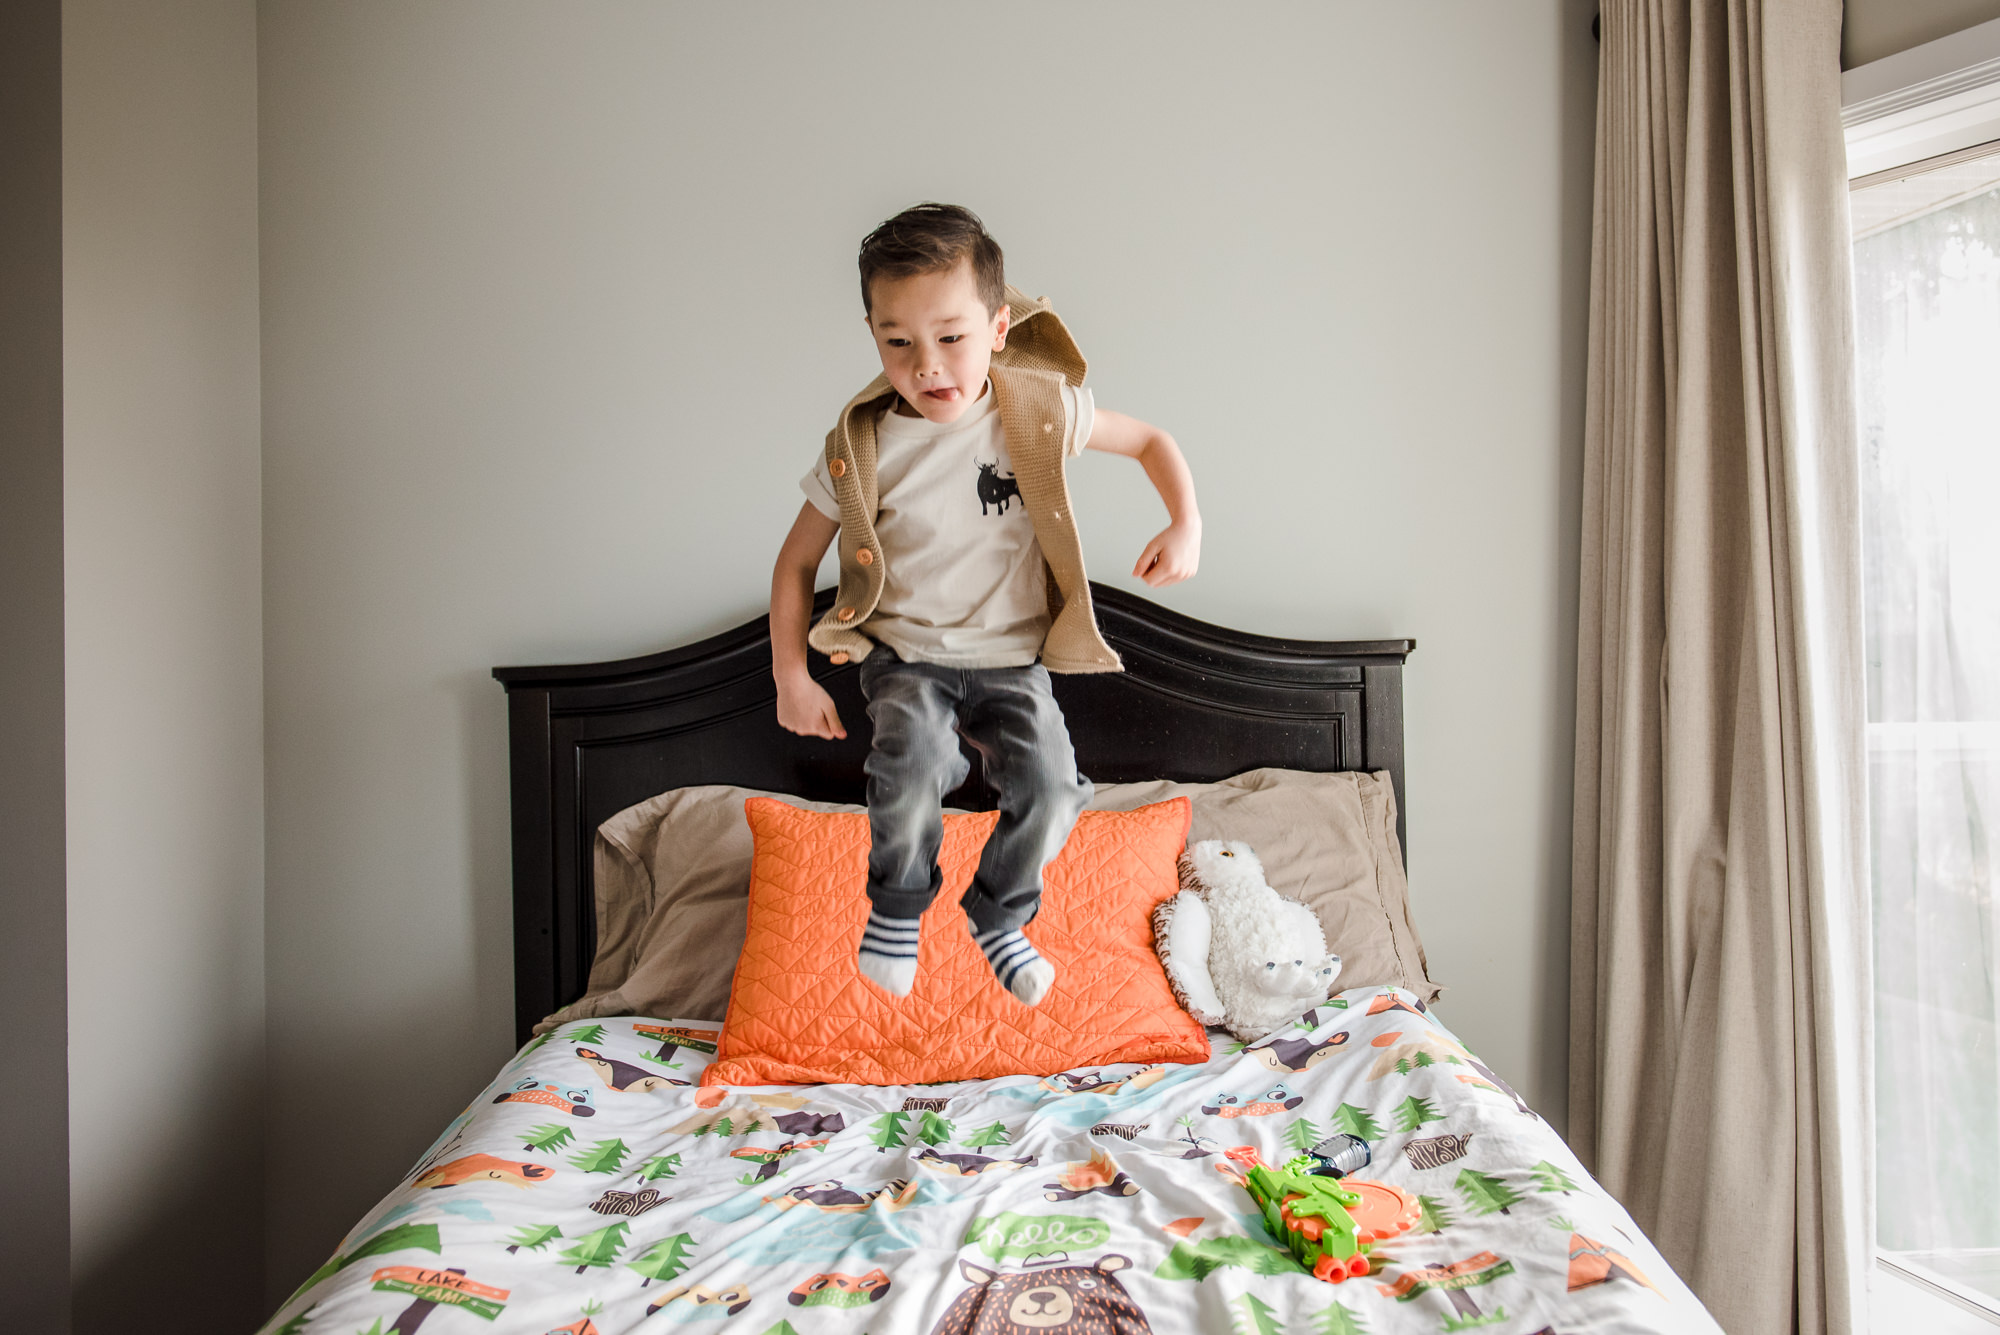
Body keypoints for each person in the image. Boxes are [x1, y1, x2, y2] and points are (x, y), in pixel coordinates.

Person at [768, 203, 1200, 1005]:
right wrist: (792, 675)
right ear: (873, 335)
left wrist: (1186, 521)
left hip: (1010, 663)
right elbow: (796, 561)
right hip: (910, 659)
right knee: (913, 763)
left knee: (1055, 788)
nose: (928, 365)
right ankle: (896, 910)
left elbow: (1149, 440)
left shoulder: (1032, 413)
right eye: (898, 342)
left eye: (951, 337)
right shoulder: (861, 446)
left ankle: (999, 914)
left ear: (999, 328)